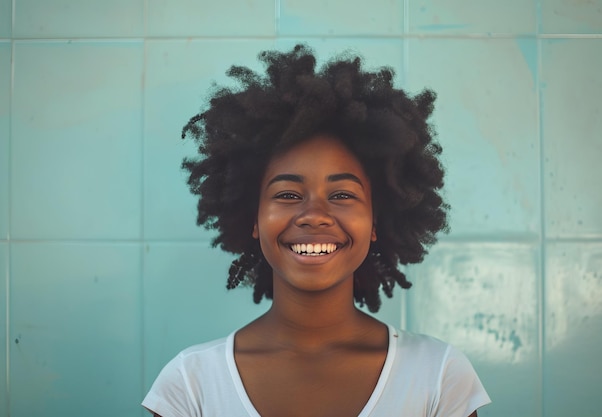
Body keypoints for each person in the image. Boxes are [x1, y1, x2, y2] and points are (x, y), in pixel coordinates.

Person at [142, 44, 491, 417]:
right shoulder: (190, 383)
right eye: (289, 194)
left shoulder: (438, 376)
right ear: (252, 220)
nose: (314, 214)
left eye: (342, 194)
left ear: (377, 220)